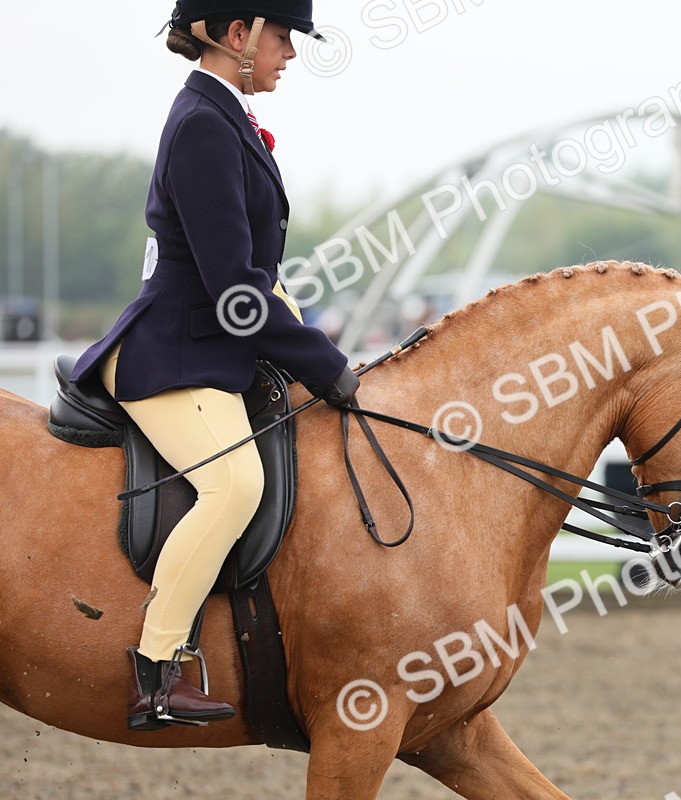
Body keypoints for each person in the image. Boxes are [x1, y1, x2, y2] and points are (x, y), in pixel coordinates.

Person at [69, 0, 358, 731]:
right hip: (169, 349)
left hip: (207, 344)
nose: (291, 54)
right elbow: (235, 288)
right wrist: (321, 366)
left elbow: (262, 278)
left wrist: (317, 350)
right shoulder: (203, 124)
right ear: (240, 34)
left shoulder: (222, 116)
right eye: (284, 37)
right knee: (234, 484)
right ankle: (157, 672)